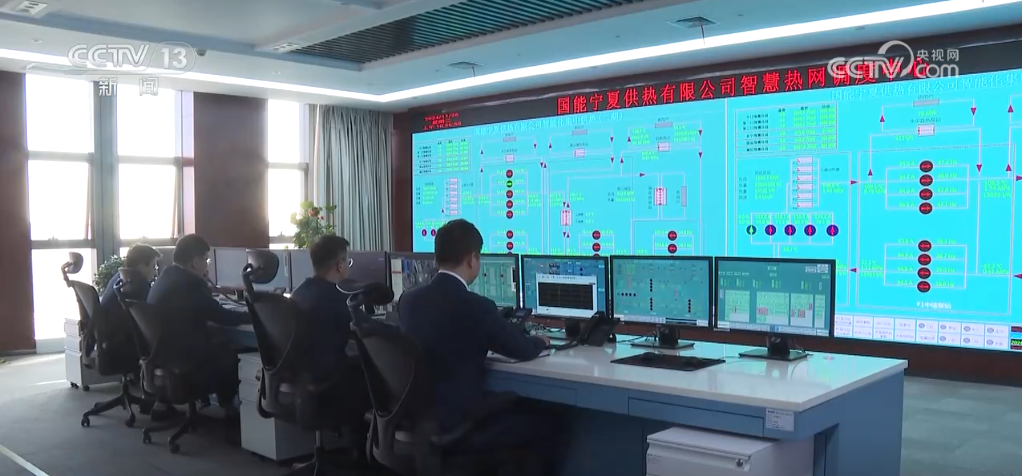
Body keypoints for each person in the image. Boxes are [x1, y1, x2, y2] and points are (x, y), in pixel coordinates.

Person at [398, 219, 561, 474]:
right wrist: (541, 341)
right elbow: (521, 349)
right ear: (472, 259)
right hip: (459, 421)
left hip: (419, 419)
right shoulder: (477, 306)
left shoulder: (409, 300)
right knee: (549, 420)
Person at [147, 234, 249, 413]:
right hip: (187, 360)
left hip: (164, 357)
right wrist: (252, 315)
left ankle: (164, 402)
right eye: (206, 260)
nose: (207, 265)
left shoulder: (165, 278)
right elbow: (222, 316)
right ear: (195, 262)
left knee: (217, 339)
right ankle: (229, 410)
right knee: (231, 351)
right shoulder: (190, 284)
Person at [289, 235, 371, 447]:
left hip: (305, 381)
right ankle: (363, 452)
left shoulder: (300, 292)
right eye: (347, 261)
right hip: (330, 384)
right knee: (375, 375)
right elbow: (369, 329)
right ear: (340, 265)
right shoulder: (337, 299)